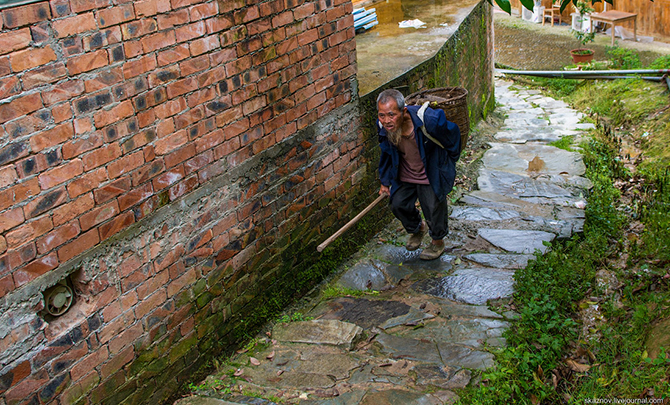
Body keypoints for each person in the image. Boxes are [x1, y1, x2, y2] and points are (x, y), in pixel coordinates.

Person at [377, 89, 461, 260]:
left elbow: (453, 134)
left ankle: (437, 242)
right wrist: (385, 182)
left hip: (429, 172)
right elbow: (386, 153)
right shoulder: (384, 127)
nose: (386, 121)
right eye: (382, 115)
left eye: (391, 115)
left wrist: (449, 162)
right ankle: (417, 228)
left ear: (404, 111)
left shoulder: (429, 120)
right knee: (398, 203)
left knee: (433, 207)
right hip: (405, 173)